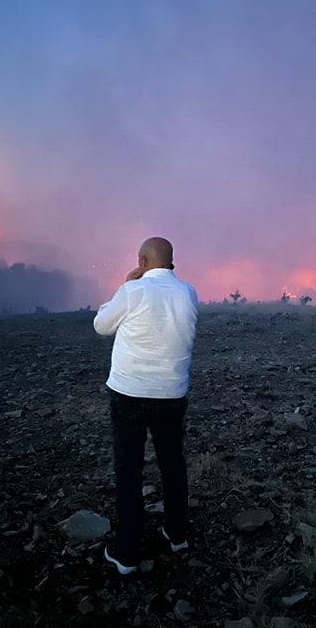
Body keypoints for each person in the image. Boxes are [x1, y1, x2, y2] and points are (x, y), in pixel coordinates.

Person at [93, 237, 199, 574]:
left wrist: (125, 285)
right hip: (171, 394)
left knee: (129, 469)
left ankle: (126, 553)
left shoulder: (132, 291)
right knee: (172, 463)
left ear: (141, 260)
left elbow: (101, 325)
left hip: (129, 394)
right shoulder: (189, 292)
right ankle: (177, 533)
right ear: (171, 262)